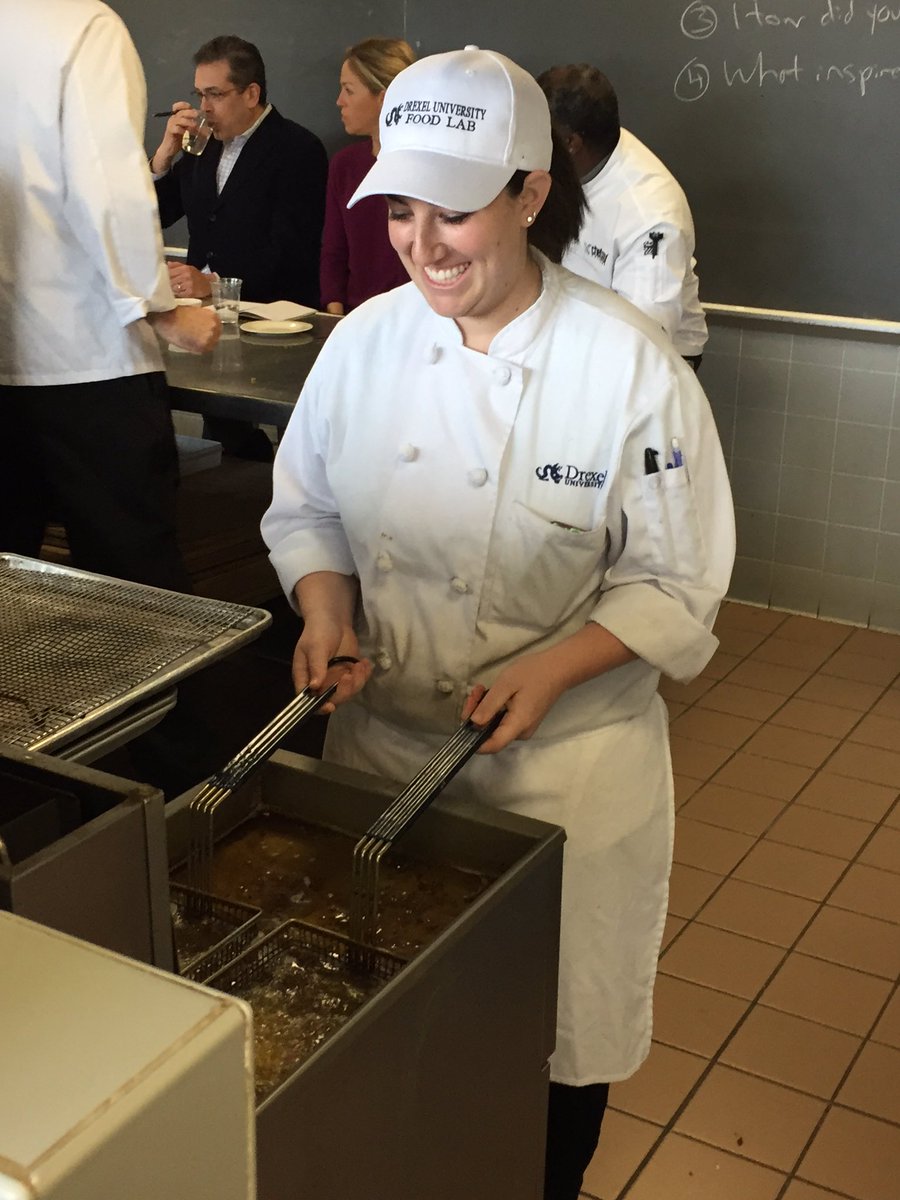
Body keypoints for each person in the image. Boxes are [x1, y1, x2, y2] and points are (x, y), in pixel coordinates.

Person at [261, 46, 734, 1200]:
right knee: (389, 1038)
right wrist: (326, 610)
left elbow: (679, 583)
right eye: (402, 212)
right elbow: (307, 505)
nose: (423, 247)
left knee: (547, 1068)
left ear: (530, 193)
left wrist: (558, 667)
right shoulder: (366, 341)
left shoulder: (628, 366)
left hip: (562, 779)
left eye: (456, 213)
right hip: (379, 750)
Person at [0, 0, 220, 593]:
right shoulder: (83, 25)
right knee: (136, 587)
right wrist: (160, 307)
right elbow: (107, 184)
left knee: (10, 590)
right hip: (87, 362)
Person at [538, 64, 708, 368]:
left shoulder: (650, 216)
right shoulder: (583, 154)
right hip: (580, 320)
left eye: (541, 133)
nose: (531, 143)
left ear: (571, 143)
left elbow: (645, 338)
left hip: (657, 354)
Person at [151, 35, 327, 307]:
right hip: (201, 311)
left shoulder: (298, 148)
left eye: (215, 94)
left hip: (268, 316)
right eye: (200, 95)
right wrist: (163, 157)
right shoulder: (202, 142)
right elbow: (161, 213)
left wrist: (213, 283)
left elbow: (291, 252)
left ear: (251, 94)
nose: (204, 107)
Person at [320, 37, 415, 315]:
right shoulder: (345, 165)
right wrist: (335, 317)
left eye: (349, 90)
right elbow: (334, 252)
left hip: (414, 318)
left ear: (384, 98)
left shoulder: (421, 167)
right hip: (354, 317)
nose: (339, 101)